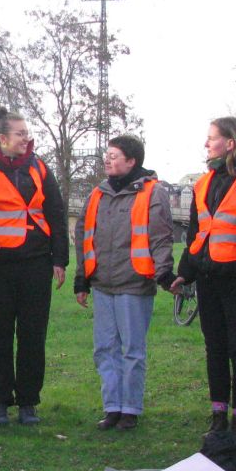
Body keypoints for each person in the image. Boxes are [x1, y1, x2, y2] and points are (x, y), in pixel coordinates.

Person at [170, 117, 236, 435]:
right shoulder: (204, 183)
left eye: (211, 138)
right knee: (214, 347)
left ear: (231, 143)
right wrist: (184, 274)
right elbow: (197, 235)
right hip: (207, 278)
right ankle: (218, 416)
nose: (206, 144)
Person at [0, 107, 68, 426]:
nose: (26, 138)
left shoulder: (39, 167)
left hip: (35, 265)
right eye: (20, 133)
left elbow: (55, 212)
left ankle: (28, 402)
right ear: (2, 138)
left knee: (32, 335)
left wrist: (60, 260)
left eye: (27, 133)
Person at [73, 135, 174, 430]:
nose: (108, 159)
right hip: (103, 284)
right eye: (107, 154)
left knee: (132, 349)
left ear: (132, 161)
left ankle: (130, 409)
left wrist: (164, 273)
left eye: (114, 155)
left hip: (134, 284)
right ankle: (112, 407)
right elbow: (83, 237)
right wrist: (82, 280)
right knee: (104, 348)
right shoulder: (97, 195)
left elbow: (161, 237)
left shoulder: (153, 193)